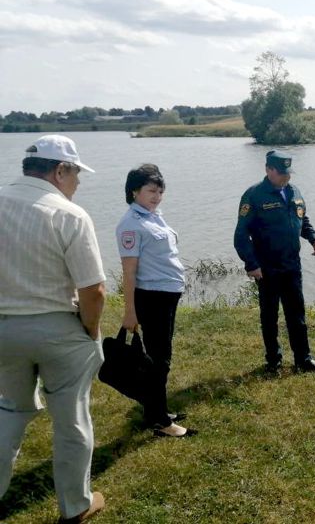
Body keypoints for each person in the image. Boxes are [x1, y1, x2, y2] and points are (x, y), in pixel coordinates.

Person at [0, 135, 106, 523]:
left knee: (9, 409)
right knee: (72, 416)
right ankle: (75, 506)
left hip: (3, 331)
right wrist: (90, 332)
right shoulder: (68, 214)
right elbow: (93, 290)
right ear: (60, 171)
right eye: (76, 173)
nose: (77, 182)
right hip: (57, 329)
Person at [115, 164, 196, 438]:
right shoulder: (131, 224)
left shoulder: (154, 217)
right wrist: (130, 311)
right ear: (134, 191)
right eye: (151, 190)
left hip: (166, 296)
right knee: (159, 359)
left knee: (160, 357)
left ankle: (155, 409)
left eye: (160, 191)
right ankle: (161, 422)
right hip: (151, 298)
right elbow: (129, 272)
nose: (157, 196)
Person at [234, 150, 315, 374]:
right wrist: (251, 264)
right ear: (268, 170)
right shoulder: (254, 195)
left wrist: (314, 238)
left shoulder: (294, 191)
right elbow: (240, 235)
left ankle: (303, 359)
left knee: (297, 315)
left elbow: (302, 219)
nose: (286, 178)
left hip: (292, 265)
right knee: (270, 316)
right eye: (281, 173)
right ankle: (273, 360)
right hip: (267, 268)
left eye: (288, 173)